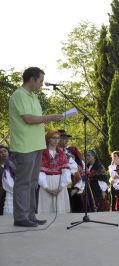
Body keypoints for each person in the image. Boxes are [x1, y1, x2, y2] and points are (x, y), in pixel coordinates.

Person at [9, 67, 63, 227]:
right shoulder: (19, 95)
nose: (41, 84)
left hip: (37, 145)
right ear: (31, 79)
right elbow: (29, 119)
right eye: (40, 81)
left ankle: (31, 215)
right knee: (24, 182)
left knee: (33, 183)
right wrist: (50, 117)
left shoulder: (33, 96)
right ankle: (21, 217)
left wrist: (48, 119)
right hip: (25, 146)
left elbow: (36, 119)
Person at [38, 130, 71, 214]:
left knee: (60, 210)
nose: (56, 140)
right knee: (46, 210)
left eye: (58, 138)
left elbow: (66, 171)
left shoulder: (62, 154)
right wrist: (46, 187)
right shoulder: (42, 153)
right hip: (46, 182)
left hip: (59, 183)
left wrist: (61, 186)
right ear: (48, 139)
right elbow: (39, 172)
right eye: (54, 138)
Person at [0, 145, 16, 216]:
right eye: (0, 152)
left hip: (14, 193)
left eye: (5, 151)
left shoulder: (13, 165)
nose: (3, 153)